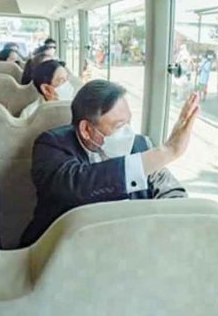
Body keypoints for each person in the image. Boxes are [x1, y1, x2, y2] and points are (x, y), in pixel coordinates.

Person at [20, 80, 194, 246]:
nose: (127, 133)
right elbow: (76, 186)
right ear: (86, 130)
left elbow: (169, 190)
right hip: (64, 250)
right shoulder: (51, 145)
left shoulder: (140, 146)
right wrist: (166, 152)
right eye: (118, 126)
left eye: (129, 123)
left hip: (131, 249)